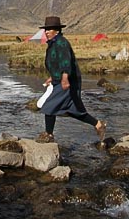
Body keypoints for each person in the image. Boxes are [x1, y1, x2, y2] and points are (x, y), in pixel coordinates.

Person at [36, 16, 106, 144]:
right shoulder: (53, 43)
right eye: (45, 29)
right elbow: (56, 63)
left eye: (49, 29)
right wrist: (52, 77)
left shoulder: (61, 43)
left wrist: (64, 78)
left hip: (68, 82)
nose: (46, 32)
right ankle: (98, 124)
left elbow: (65, 62)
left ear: (57, 30)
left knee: (49, 106)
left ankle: (49, 134)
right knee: (74, 110)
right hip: (61, 80)